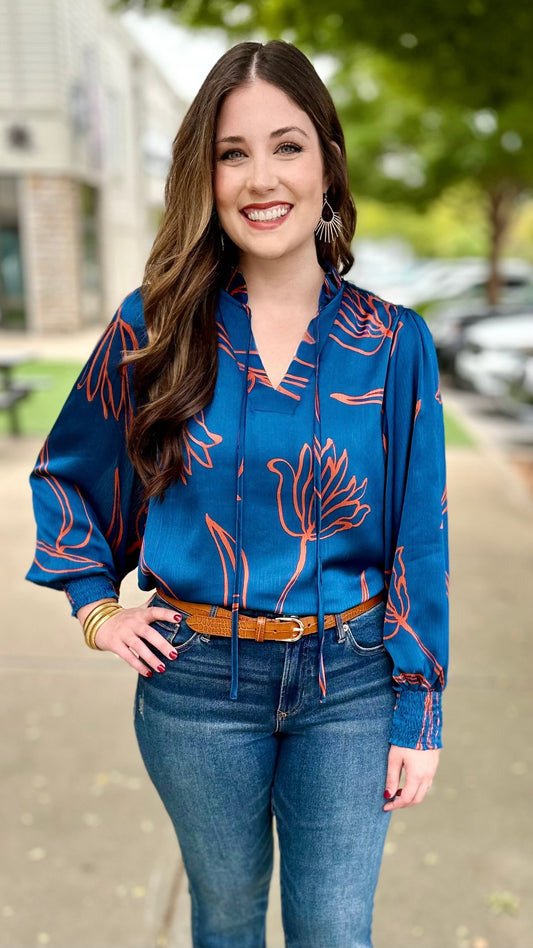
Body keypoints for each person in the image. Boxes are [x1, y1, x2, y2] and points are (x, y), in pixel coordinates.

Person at [27, 40, 449, 948]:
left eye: (287, 145)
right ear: (206, 175)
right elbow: (69, 473)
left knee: (334, 931)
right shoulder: (155, 325)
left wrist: (420, 706)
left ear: (327, 164)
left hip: (352, 682)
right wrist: (95, 608)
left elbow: (421, 534)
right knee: (223, 920)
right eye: (232, 151)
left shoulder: (393, 343)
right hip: (196, 691)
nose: (262, 177)